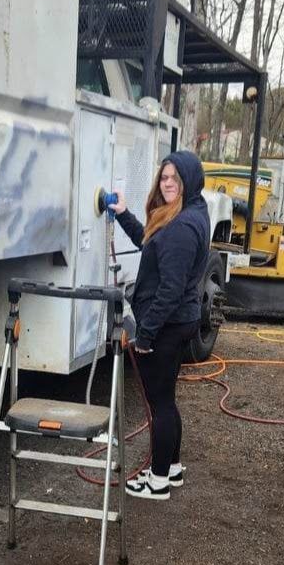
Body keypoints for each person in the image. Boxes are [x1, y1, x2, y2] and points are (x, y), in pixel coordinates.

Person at [109, 150, 210, 501]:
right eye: (164, 177)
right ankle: (173, 468)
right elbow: (150, 241)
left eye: (174, 179)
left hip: (168, 325)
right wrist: (124, 215)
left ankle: (158, 480)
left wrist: (147, 334)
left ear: (189, 181)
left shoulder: (182, 227)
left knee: (159, 403)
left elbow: (170, 289)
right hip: (178, 321)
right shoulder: (187, 212)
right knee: (167, 398)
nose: (167, 184)